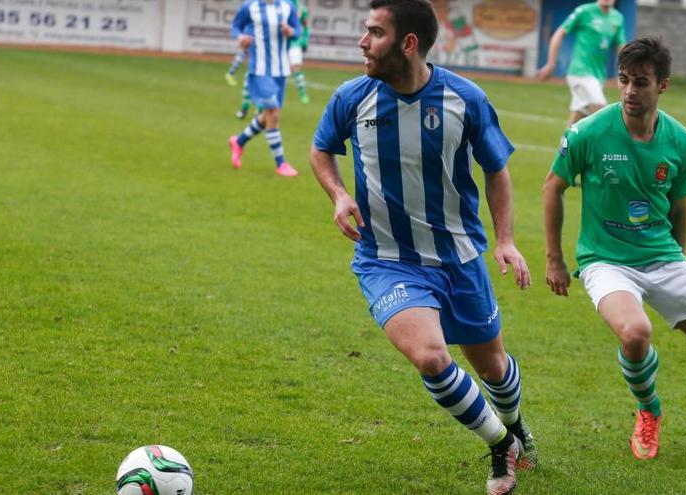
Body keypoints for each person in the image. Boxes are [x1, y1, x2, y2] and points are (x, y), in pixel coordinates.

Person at [310, 0, 536, 493]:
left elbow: (496, 168)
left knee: (493, 367)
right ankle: (500, 446)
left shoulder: (465, 98)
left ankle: (516, 425)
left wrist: (506, 240)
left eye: (374, 32)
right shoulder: (352, 98)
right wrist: (339, 193)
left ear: (408, 44)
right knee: (432, 358)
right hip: (387, 260)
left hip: (459, 257)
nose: (362, 42)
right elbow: (321, 148)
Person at [543, 36, 686, 461]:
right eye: (624, 81)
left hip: (663, 256)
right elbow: (552, 188)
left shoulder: (682, 142)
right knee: (635, 333)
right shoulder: (589, 132)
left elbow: (680, 207)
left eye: (642, 82)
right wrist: (555, 259)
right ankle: (649, 412)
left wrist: (680, 261)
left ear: (663, 86)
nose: (631, 91)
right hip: (606, 260)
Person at [227, 0, 302, 177]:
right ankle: (281, 163)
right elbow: (236, 26)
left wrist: (291, 31)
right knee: (274, 114)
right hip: (260, 70)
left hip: (281, 70)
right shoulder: (250, 6)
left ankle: (238, 141)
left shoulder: (288, 6)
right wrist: (240, 37)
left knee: (267, 116)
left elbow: (297, 31)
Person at [536, 0, 625, 124]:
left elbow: (621, 46)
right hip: (580, 71)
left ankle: (566, 143)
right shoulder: (584, 11)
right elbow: (559, 34)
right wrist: (551, 64)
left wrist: (628, 69)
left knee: (578, 118)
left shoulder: (618, 18)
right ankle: (611, 143)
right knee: (600, 109)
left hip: (598, 75)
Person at [288, 0, 311, 104]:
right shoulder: (280, 5)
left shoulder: (302, 9)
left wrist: (305, 40)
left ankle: (303, 94)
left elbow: (305, 26)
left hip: (295, 43)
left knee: (296, 67)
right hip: (281, 43)